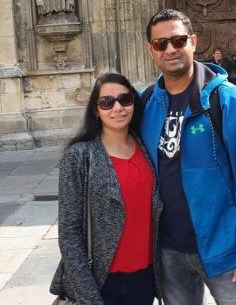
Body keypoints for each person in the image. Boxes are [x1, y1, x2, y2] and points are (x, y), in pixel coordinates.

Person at [139, 9, 236, 304]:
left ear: (193, 42)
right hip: (168, 253)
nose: (170, 49)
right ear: (151, 50)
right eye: (161, 44)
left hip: (225, 250)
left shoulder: (225, 99)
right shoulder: (146, 103)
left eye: (178, 40)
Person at [50, 73, 159, 305]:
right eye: (107, 102)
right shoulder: (79, 156)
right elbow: (69, 233)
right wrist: (89, 296)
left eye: (125, 99)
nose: (117, 107)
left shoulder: (146, 146)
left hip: (144, 278)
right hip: (100, 282)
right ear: (96, 111)